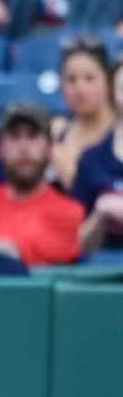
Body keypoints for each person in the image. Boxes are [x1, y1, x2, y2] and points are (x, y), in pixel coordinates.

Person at [0, 104, 84, 266]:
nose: (24, 147)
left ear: (49, 147)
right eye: (15, 136)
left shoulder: (70, 211)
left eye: (33, 136)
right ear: (0, 147)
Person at [50, 35, 115, 190]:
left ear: (108, 80)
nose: (80, 89)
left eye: (90, 78)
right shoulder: (56, 133)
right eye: (71, 80)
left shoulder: (120, 132)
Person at [72, 63, 123, 258]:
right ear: (113, 95)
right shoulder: (91, 159)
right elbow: (78, 243)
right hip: (104, 267)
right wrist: (101, 214)